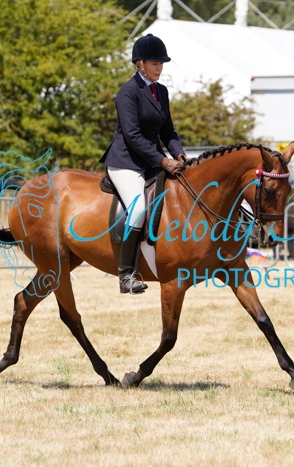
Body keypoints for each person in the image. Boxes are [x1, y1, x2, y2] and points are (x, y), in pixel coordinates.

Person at [99, 33, 185, 294]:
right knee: (137, 209)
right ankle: (126, 275)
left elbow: (168, 131)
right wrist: (163, 161)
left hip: (151, 162)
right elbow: (132, 136)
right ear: (140, 64)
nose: (159, 68)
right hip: (126, 162)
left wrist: (179, 155)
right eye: (155, 63)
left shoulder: (161, 91)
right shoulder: (127, 92)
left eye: (161, 64)